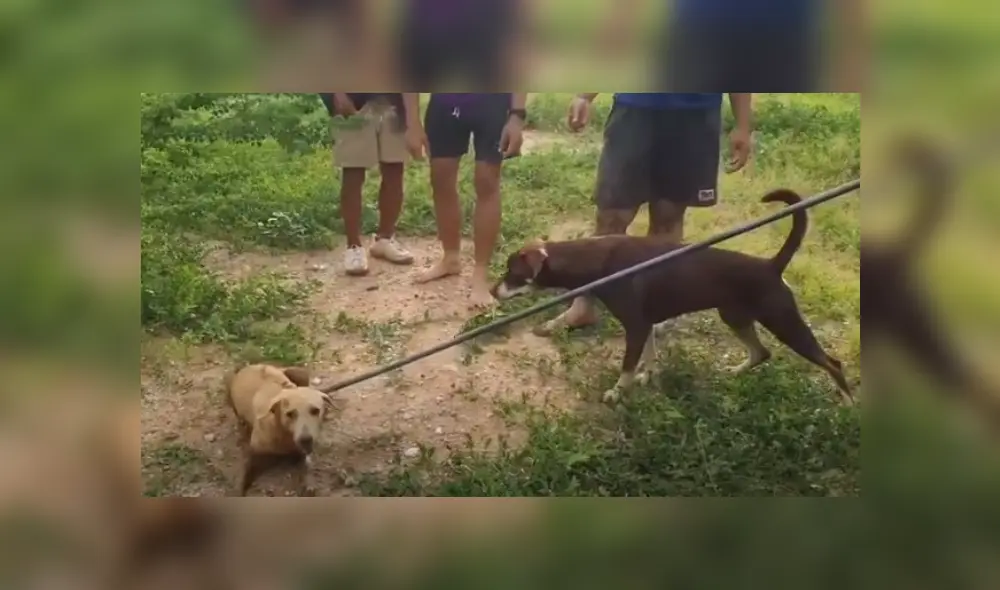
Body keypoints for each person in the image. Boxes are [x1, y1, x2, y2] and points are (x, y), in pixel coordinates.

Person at [538, 92, 753, 334]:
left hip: (694, 115)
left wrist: (743, 125)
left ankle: (657, 306)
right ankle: (584, 305)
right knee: (612, 216)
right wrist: (585, 96)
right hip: (635, 108)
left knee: (667, 217)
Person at [408, 93, 527, 307]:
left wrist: (517, 115)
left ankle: (480, 275)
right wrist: (412, 121)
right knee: (440, 179)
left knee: (487, 181)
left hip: (492, 101)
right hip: (445, 102)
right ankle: (450, 258)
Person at [320, 92, 425, 276]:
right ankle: (353, 246)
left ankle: (385, 239)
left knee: (394, 170)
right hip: (354, 101)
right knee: (353, 172)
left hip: (394, 103)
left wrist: (413, 118)